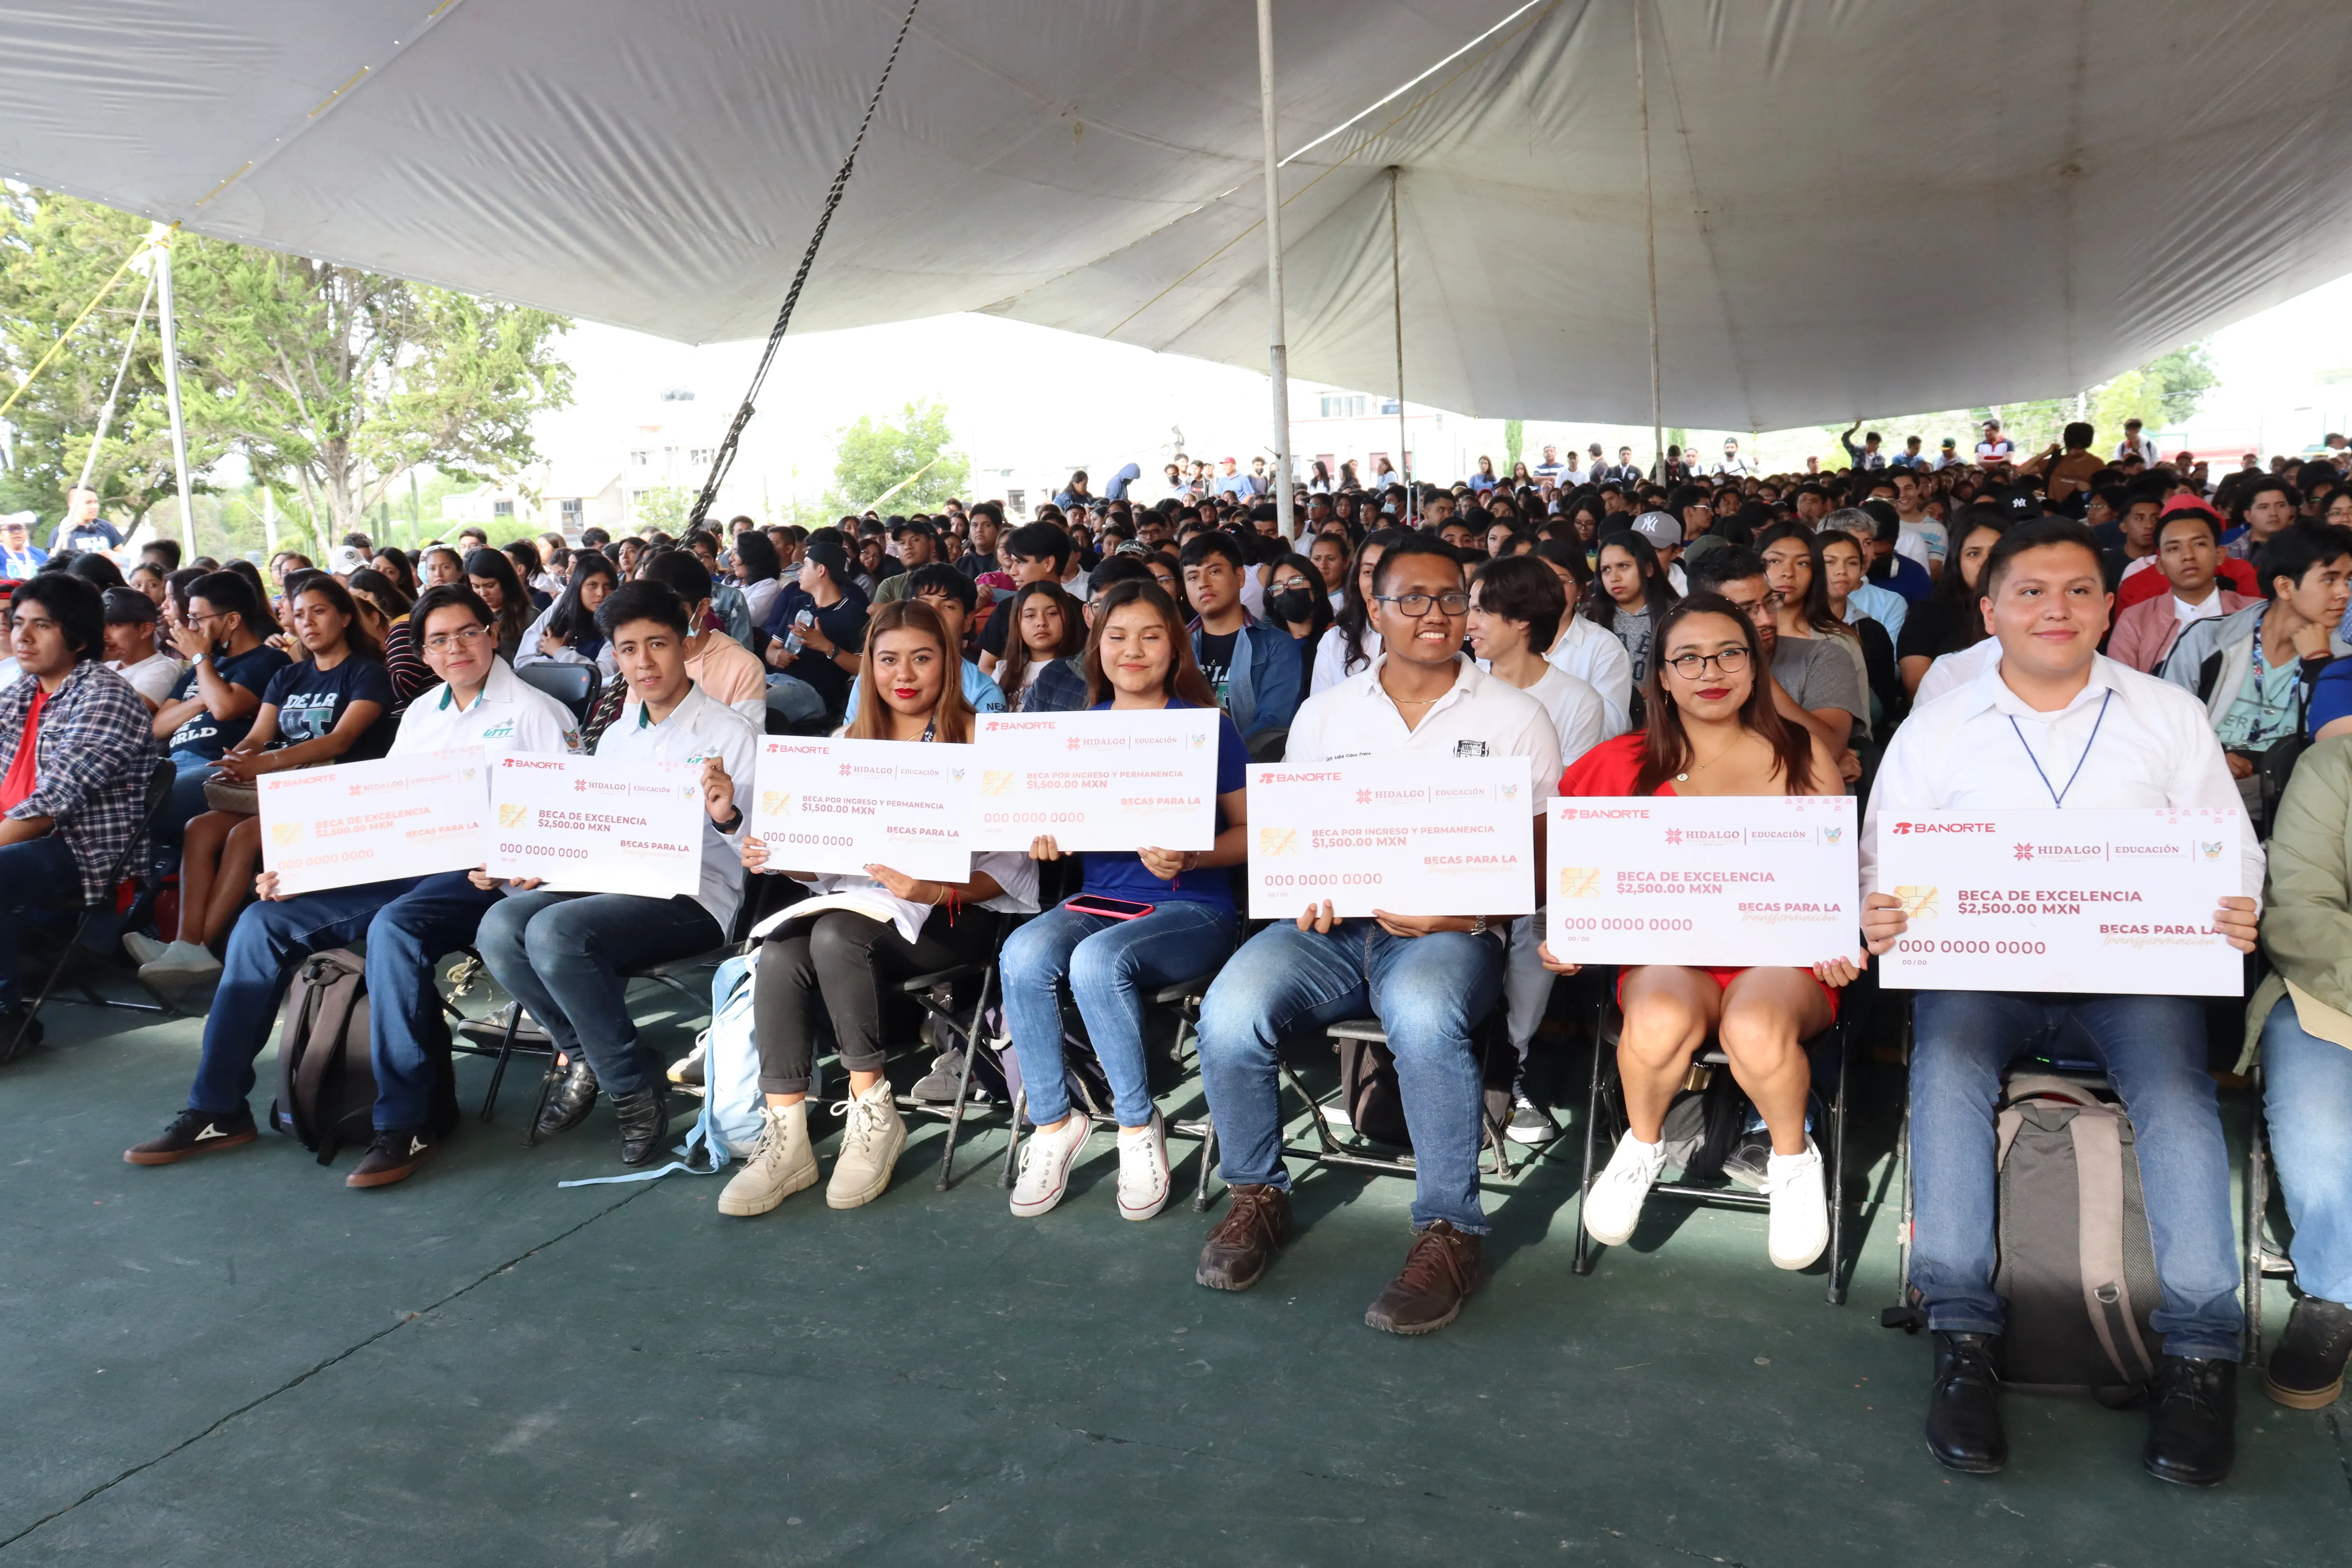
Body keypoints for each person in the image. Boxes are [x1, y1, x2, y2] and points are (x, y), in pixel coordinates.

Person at [1858, 515, 2262, 1485]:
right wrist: (1878, 906)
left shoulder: (2168, 715)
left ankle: (2201, 1350)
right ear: (1989, 608)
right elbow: (1886, 854)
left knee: (2175, 1088)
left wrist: (2236, 901)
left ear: (2106, 604)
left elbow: (2227, 841)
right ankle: (1962, 1332)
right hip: (1982, 969)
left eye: (2079, 589)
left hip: (2132, 972)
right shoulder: (1941, 725)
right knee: (1947, 1065)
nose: (2056, 608)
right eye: (2031, 591)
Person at [1191, 536, 1560, 1334]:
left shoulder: (1517, 716)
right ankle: (1257, 1192)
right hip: (1334, 929)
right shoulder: (1327, 715)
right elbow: (1296, 838)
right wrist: (1305, 886)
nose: (1436, 614)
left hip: (1447, 933)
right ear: (1376, 610)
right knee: (1227, 1012)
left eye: (1452, 598)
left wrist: (1457, 916)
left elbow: (1541, 868)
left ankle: (1450, 1229)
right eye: (1414, 599)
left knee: (1425, 1017)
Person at [122, 584, 579, 1182]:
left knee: (397, 928)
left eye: (468, 632)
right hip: (409, 869)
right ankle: (217, 1108)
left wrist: (511, 857)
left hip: (487, 880)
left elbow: (563, 821)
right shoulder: (423, 715)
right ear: (424, 652)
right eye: (438, 640)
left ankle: (406, 1123)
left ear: (493, 634)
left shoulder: (537, 715)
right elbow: (385, 820)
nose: (456, 648)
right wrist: (304, 868)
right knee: (263, 922)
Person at [1543, 593, 1850, 1267]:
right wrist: (1569, 932)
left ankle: (1793, 1164)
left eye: (1729, 653)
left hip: (1781, 960)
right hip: (1670, 956)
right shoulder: (1614, 765)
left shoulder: (1800, 754)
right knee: (1653, 1018)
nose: (1710, 671)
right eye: (1688, 658)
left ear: (1755, 663)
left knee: (1755, 1028)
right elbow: (1574, 874)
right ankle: (1641, 1146)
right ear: (1661, 677)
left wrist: (1841, 934)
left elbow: (1836, 877)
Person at [722, 599, 1039, 1217]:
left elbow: (1014, 869)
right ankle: (785, 1134)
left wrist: (933, 890)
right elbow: (822, 869)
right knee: (784, 948)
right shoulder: (846, 743)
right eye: (888, 659)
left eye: (922, 658)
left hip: (957, 916)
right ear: (868, 666)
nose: (905, 674)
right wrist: (780, 854)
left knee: (837, 933)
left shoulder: (982, 741)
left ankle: (874, 1110)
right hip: (863, 907)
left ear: (949, 664)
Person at [473, 581, 758, 1167]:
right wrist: (540, 861)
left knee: (557, 933)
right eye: (628, 649)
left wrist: (727, 815)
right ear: (615, 657)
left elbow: (759, 847)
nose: (644, 662)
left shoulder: (730, 735)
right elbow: (597, 834)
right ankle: (585, 1053)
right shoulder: (620, 736)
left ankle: (630, 1087)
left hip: (696, 896)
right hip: (618, 882)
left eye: (657, 644)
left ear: (684, 646)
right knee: (501, 923)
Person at [1001, 580, 1251, 1220]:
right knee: (1023, 951)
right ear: (1097, 645)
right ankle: (1054, 1124)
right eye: (1117, 636)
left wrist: (1193, 854)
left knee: (1096, 963)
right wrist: (1041, 835)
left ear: (1176, 647)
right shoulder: (1074, 732)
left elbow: (1257, 837)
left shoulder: (1206, 729)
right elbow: (1042, 823)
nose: (1132, 650)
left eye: (1150, 635)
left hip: (1190, 906)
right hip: (1099, 898)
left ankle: (1139, 1127)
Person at [135, 573, 398, 987]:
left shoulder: (367, 674)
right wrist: (238, 757)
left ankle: (197, 949)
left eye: (319, 611)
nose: (308, 623)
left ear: (346, 617)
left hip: (334, 792)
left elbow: (341, 739)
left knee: (244, 836)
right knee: (199, 828)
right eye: (298, 615)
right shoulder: (290, 677)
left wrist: (269, 761)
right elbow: (258, 735)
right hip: (283, 788)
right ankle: (185, 944)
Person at [1468, 555, 1607, 1139]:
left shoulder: (1577, 701)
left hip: (1546, 854)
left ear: (1522, 620)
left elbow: (1569, 807)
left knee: (1539, 920)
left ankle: (1510, 1069)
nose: (1466, 621)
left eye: (1479, 609)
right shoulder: (1456, 687)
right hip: (1464, 851)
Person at [0, 573, 159, 1051]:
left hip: (76, 848)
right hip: (21, 838)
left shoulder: (102, 695)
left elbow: (51, 806)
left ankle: (7, 1014)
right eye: (18, 623)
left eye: (42, 625)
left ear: (80, 636)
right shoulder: (20, 693)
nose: (23, 636)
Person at [2240, 733, 2352, 1406]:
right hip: (2331, 989)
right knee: (2320, 1125)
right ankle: (2335, 1290)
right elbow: (2301, 908)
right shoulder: (2335, 765)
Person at [2159, 524, 2351, 808]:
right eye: (2329, 579)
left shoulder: (2343, 662)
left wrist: (2320, 666)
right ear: (2285, 587)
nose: (2344, 593)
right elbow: (2163, 721)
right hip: (2199, 785)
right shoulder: (2208, 639)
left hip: (2293, 797)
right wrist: (2213, 755)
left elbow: (2342, 752)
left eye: (2348, 580)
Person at [1688, 547, 1864, 782]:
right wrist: (1805, 768)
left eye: (1770, 601)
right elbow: (1688, 760)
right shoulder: (1686, 667)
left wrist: (1756, 667)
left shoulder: (1822, 657)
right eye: (1748, 609)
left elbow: (1829, 750)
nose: (1767, 619)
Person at [150, 570, 291, 851]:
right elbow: (159, 726)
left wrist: (201, 660)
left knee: (144, 813)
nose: (192, 627)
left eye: (198, 619)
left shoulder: (268, 660)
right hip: (172, 763)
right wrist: (207, 696)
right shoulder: (205, 669)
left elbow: (225, 709)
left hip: (214, 765)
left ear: (233, 620)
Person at [1175, 532, 1300, 747]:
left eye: (1214, 571)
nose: (1203, 584)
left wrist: (1218, 754)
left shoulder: (1277, 646)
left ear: (1240, 577)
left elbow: (1274, 724)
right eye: (1193, 577)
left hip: (1251, 767)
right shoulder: (1175, 647)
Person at [844, 564, 1005, 716]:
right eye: (923, 605)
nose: (932, 614)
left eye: (948, 606)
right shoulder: (871, 679)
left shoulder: (983, 692)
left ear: (968, 621)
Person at [2109, 508, 2255, 675]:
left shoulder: (2254, 613)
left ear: (2220, 555)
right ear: (2161, 566)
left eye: (2199, 544)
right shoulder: (2135, 620)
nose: (2188, 556)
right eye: (2174, 548)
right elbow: (2122, 686)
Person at [632, 551, 767, 726]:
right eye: (655, 614)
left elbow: (747, 742)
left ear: (703, 607)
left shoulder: (744, 667)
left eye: (674, 614)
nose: (664, 625)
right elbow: (631, 733)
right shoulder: (644, 663)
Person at [1895, 511, 2007, 698]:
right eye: (1974, 554)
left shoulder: (2036, 611)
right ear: (1957, 561)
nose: (1986, 562)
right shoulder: (1926, 615)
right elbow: (1920, 692)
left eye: (1997, 553)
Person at [762, 535, 869, 725]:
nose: (800, 572)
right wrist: (777, 656)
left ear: (821, 570)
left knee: (753, 708)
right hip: (775, 678)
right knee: (733, 696)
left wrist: (827, 647)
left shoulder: (853, 614)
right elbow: (772, 649)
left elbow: (865, 668)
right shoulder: (799, 604)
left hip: (812, 693)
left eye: (805, 565)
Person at [1588, 530, 1678, 691]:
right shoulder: (1590, 617)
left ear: (1649, 569)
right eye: (1606, 570)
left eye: (1623, 566)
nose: (1614, 577)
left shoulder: (1676, 615)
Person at [991, 580, 1086, 711]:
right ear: (1017, 624)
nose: (1041, 622)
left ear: (1067, 618)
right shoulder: (1003, 671)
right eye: (1030, 616)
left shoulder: (1080, 671)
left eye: (1052, 614)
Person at [101, 586, 183, 711]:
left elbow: (117, 710)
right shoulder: (108, 663)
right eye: (101, 625)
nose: (104, 635)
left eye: (114, 625)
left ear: (145, 630)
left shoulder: (164, 670)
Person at [462, 548, 534, 662]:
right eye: (476, 586)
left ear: (506, 582)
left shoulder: (529, 617)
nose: (483, 593)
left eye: (490, 586)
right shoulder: (467, 615)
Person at [49, 487, 124, 554]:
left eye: (96, 502)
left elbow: (124, 558)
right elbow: (54, 565)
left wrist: (113, 557)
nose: (95, 507)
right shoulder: (61, 533)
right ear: (72, 505)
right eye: (88, 503)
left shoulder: (107, 527)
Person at [0, 513, 47, 578]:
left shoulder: (40, 554)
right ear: (1, 535)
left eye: (20, 528)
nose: (17, 532)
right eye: (11, 529)